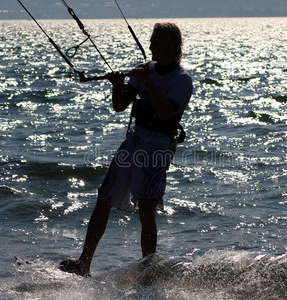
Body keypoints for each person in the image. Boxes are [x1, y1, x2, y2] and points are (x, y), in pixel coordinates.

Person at [59, 22, 193, 277]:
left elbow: (166, 114)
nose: (150, 44)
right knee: (104, 199)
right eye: (151, 40)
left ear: (168, 45)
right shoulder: (144, 71)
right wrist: (117, 84)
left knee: (146, 209)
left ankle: (148, 272)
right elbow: (120, 106)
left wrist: (149, 82)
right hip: (134, 142)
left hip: (158, 148)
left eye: (155, 41)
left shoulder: (182, 80)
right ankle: (83, 263)